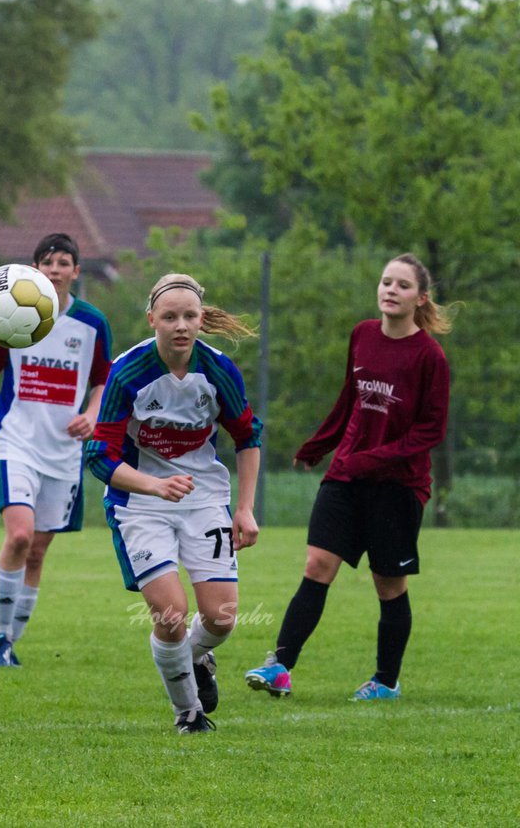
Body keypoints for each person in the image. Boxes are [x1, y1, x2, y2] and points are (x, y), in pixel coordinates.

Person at [245, 254, 452, 702]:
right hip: (346, 476)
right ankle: (280, 665)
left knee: (388, 583)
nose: (390, 290)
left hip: (399, 486)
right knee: (317, 566)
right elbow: (350, 399)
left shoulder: (430, 356)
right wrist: (321, 443)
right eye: (385, 282)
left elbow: (430, 430)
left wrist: (375, 459)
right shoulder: (361, 335)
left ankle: (386, 682)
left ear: (420, 298)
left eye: (402, 285)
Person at [85, 273, 262, 734]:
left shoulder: (219, 369)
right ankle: (189, 714)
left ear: (201, 319)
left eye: (189, 316)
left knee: (221, 618)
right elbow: (99, 457)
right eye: (170, 317)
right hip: (138, 502)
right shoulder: (128, 372)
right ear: (152, 320)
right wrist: (153, 485)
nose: (180, 325)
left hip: (204, 498)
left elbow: (248, 436)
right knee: (170, 614)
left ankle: (196, 658)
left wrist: (244, 508)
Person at [0, 233, 112, 667]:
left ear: (76, 272)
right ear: (34, 269)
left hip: (64, 451)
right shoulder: (13, 313)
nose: (55, 269)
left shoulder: (92, 323)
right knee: (20, 535)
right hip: (16, 441)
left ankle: (10, 643)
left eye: (64, 262)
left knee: (40, 549)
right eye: (47, 261)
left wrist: (93, 412)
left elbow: (104, 376)